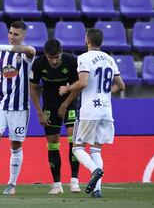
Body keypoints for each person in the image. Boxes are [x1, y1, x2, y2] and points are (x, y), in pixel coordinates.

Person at [59, 28, 125, 198]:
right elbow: (121, 85)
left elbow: (83, 82)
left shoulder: (84, 58)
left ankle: (95, 170)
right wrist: (103, 93)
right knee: (96, 150)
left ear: (87, 40)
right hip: (106, 110)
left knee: (77, 148)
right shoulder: (109, 59)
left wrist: (67, 88)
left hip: (89, 110)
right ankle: (97, 190)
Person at [0, 21, 36, 195]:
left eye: (16, 34)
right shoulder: (1, 54)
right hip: (1, 104)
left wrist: (1, 46)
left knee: (16, 144)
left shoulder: (27, 54)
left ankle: (11, 183)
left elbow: (30, 50)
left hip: (20, 107)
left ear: (23, 36)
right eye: (10, 33)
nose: (12, 37)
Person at [29, 39, 81, 194]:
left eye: (57, 57)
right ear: (45, 54)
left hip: (70, 101)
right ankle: (57, 184)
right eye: (51, 57)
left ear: (61, 52)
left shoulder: (71, 61)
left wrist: (65, 105)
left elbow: (78, 86)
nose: (54, 60)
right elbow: (33, 89)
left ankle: (74, 181)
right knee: (52, 142)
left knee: (73, 138)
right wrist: (39, 112)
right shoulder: (39, 64)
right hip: (49, 105)